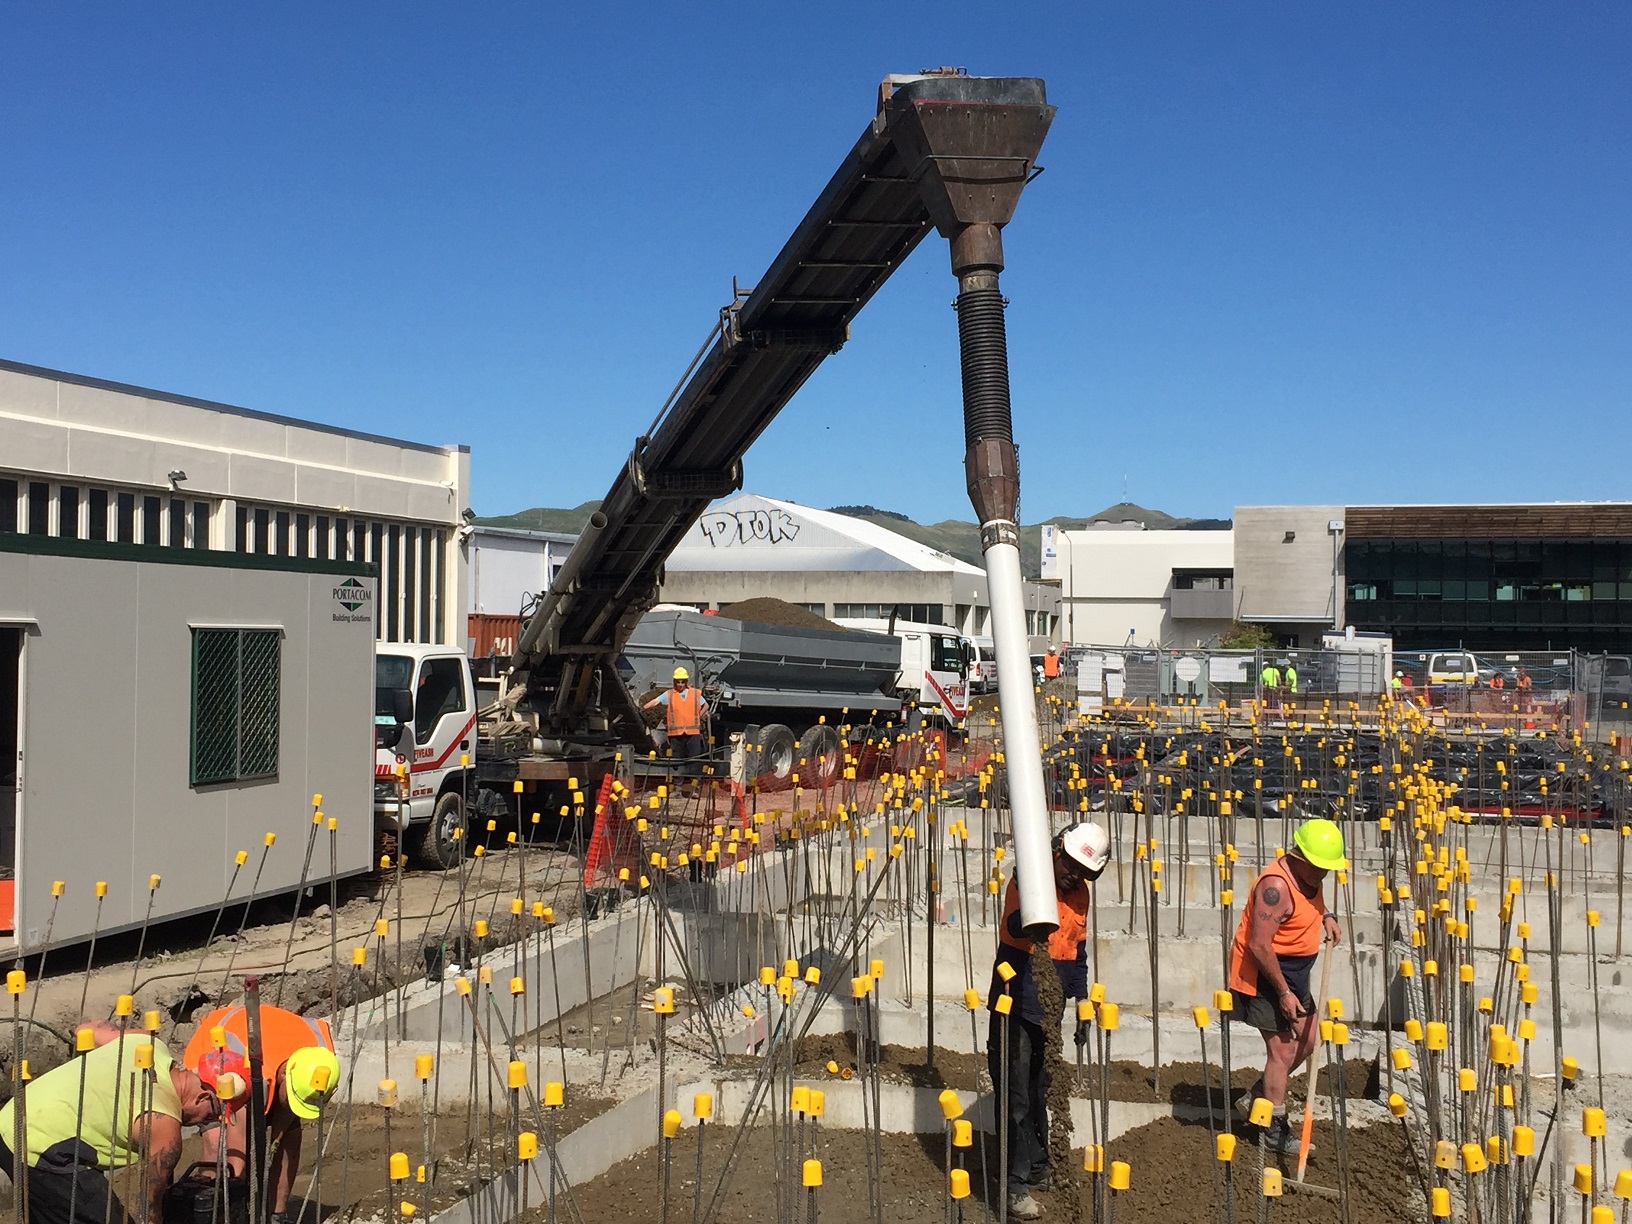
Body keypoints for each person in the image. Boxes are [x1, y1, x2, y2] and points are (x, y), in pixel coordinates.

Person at [988, 822, 1110, 1219]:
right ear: (1057, 850)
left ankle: (1038, 1164)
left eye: (1084, 872)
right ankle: (1013, 1185)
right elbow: (1011, 926)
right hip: (1016, 1003)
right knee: (1015, 1095)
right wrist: (1034, 910)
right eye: (1071, 865)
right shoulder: (1030, 878)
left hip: (1050, 1009)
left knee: (1041, 1088)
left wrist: (1083, 1003)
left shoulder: (1080, 896)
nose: (1074, 876)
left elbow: (1077, 954)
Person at [0, 1028, 222, 1224]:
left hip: (12, 1116)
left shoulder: (148, 1043)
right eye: (211, 1115)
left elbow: (90, 1028)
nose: (203, 1122)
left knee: (54, 1212)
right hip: (40, 1143)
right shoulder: (164, 1124)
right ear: (202, 1097)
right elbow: (150, 1199)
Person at [1228, 819, 1346, 1155]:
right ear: (1302, 858)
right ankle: (1275, 1129)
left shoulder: (1311, 875)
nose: (1324, 875)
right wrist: (1283, 992)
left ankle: (1259, 1095)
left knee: (1309, 1039)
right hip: (1266, 974)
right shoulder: (1276, 889)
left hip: (1296, 972)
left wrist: (1327, 916)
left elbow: (1314, 900)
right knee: (1280, 1051)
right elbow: (1259, 945)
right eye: (1320, 868)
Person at [183, 1005, 340, 1224]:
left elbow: (286, 1118)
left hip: (266, 1053)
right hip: (218, 1057)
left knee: (291, 1135)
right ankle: (211, 1212)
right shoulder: (245, 1073)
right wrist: (237, 1201)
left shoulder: (321, 1060)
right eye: (294, 1098)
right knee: (220, 1143)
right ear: (284, 1076)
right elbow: (235, 1154)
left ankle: (277, 1215)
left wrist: (279, 1135)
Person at [642, 666, 708, 759]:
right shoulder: (670, 694)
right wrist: (642, 708)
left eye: (682, 682)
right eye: (678, 682)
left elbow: (706, 706)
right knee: (677, 760)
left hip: (693, 734)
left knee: (694, 760)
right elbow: (656, 701)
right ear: (674, 681)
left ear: (686, 682)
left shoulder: (694, 693)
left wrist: (698, 716)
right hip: (676, 735)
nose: (680, 684)